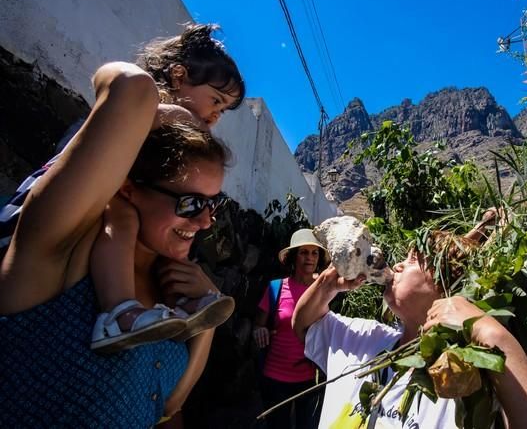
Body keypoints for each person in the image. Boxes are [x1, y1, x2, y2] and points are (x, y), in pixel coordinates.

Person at [0, 63, 229, 426]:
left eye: (215, 204)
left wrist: (207, 321)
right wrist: (187, 119)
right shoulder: (63, 253)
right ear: (128, 188)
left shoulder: (175, 293)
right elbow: (130, 86)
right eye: (191, 203)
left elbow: (168, 407)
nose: (206, 222)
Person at [0, 23, 246, 353]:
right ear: (177, 76)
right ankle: (119, 311)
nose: (215, 116)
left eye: (222, 110)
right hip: (26, 224)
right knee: (125, 217)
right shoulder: (144, 116)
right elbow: (127, 93)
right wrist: (177, 116)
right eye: (215, 101)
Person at [292, 221, 527, 428]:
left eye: (414, 260)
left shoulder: (465, 381)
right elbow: (304, 326)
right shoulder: (368, 338)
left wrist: (488, 330)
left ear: (450, 289)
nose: (397, 265)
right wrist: (328, 284)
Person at [254, 229, 330, 429]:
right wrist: (259, 330)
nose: (310, 258)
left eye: (314, 253)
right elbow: (259, 324)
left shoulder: (324, 290)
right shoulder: (275, 288)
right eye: (304, 252)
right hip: (275, 376)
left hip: (310, 378)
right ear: (293, 256)